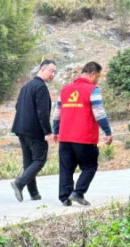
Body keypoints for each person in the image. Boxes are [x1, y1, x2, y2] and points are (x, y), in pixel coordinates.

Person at [51, 61, 112, 207]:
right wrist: (108, 131)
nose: (98, 79)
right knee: (89, 166)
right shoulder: (93, 90)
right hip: (84, 137)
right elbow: (99, 112)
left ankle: (65, 198)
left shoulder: (65, 90)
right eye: (97, 76)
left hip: (65, 137)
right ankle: (78, 193)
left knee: (66, 167)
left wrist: (55, 130)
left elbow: (57, 113)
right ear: (92, 74)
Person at [10, 59, 57, 202]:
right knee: (39, 160)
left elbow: (18, 106)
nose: (53, 75)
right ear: (42, 69)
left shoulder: (26, 87)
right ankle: (19, 183)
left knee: (29, 162)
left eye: (55, 72)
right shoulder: (41, 87)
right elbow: (43, 112)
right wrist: (48, 132)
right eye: (51, 71)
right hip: (35, 131)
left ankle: (34, 193)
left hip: (21, 130)